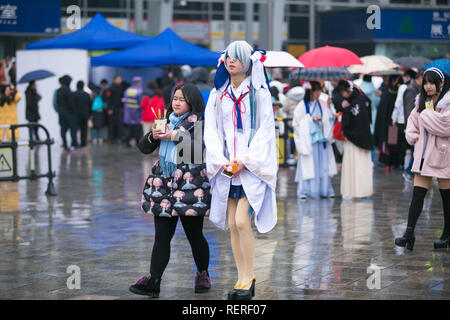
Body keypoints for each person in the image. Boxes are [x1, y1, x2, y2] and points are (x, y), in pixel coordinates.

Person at [204, 41, 278, 300]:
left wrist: (246, 161)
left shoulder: (260, 94)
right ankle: (241, 278)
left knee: (241, 221)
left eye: (237, 57)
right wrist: (219, 159)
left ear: (248, 61)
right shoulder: (217, 95)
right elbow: (211, 131)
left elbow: (266, 131)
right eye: (228, 57)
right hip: (226, 166)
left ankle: (249, 277)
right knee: (232, 226)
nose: (231, 61)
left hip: (250, 167)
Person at [130, 83, 211, 298]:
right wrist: (154, 136)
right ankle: (154, 281)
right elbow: (143, 148)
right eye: (174, 98)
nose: (176, 102)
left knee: (195, 236)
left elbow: (194, 152)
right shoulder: (165, 121)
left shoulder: (198, 122)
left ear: (191, 103)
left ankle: (203, 273)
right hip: (164, 186)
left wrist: (173, 135)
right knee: (161, 237)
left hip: (190, 187)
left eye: (181, 99)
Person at [395, 67, 450, 251]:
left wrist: (427, 114)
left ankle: (447, 234)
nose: (428, 86)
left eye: (432, 82)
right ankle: (408, 233)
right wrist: (413, 136)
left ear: (441, 83)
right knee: (417, 194)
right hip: (423, 156)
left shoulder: (447, 102)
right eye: (425, 82)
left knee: (446, 198)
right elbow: (412, 123)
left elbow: (444, 127)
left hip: (443, 156)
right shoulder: (420, 102)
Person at [293, 81, 337, 199]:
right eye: (316, 90)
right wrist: (309, 120)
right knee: (309, 166)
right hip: (309, 141)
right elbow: (296, 123)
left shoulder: (323, 103)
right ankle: (305, 190)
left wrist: (327, 113)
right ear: (310, 91)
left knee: (323, 166)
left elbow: (330, 117)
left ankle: (324, 189)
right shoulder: (302, 106)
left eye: (319, 90)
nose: (318, 93)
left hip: (321, 140)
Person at [336, 80, 373, 200]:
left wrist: (345, 109)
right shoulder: (361, 98)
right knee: (359, 165)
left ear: (348, 91)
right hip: (361, 137)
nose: (343, 95)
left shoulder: (357, 101)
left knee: (356, 165)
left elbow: (354, 117)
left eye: (343, 92)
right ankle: (359, 191)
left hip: (354, 139)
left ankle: (355, 191)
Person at [374, 75, 401, 174]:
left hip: (389, 122)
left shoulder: (388, 92)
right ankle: (390, 164)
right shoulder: (389, 91)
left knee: (390, 141)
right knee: (390, 142)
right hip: (390, 122)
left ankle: (389, 164)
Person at [391, 69, 417, 174]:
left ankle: (401, 164)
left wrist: (394, 118)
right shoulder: (416, 88)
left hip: (402, 120)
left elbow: (398, 103)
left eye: (405, 76)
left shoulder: (403, 87)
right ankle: (408, 164)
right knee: (410, 144)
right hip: (412, 120)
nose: (403, 78)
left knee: (402, 144)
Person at [403, 70, 423, 181]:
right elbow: (409, 111)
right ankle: (409, 171)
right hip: (413, 127)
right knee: (414, 150)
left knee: (415, 151)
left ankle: (410, 171)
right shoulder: (411, 90)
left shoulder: (416, 89)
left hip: (415, 127)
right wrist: (410, 127)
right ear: (419, 78)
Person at [57, 75, 78, 151]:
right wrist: (74, 111)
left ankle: (65, 145)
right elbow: (70, 102)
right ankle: (74, 144)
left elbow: (57, 103)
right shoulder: (67, 90)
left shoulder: (59, 90)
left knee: (63, 130)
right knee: (73, 129)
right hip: (69, 113)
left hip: (62, 113)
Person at [123, 76, 144, 147]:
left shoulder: (127, 90)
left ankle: (127, 142)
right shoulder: (140, 91)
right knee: (137, 129)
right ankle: (138, 142)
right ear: (139, 83)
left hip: (128, 113)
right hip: (136, 113)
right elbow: (141, 103)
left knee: (128, 129)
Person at [105, 75, 125, 144]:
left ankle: (118, 138)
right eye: (118, 79)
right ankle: (111, 138)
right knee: (112, 124)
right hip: (112, 108)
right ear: (115, 80)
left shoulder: (121, 87)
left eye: (120, 79)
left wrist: (122, 107)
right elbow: (107, 99)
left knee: (119, 124)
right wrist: (109, 109)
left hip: (119, 108)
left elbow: (122, 98)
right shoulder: (110, 88)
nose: (120, 80)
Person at [72, 80, 91, 148]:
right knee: (84, 130)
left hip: (76, 115)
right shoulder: (86, 95)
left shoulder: (73, 94)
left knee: (75, 129)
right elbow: (89, 105)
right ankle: (83, 144)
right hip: (85, 115)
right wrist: (89, 115)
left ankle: (75, 143)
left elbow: (72, 105)